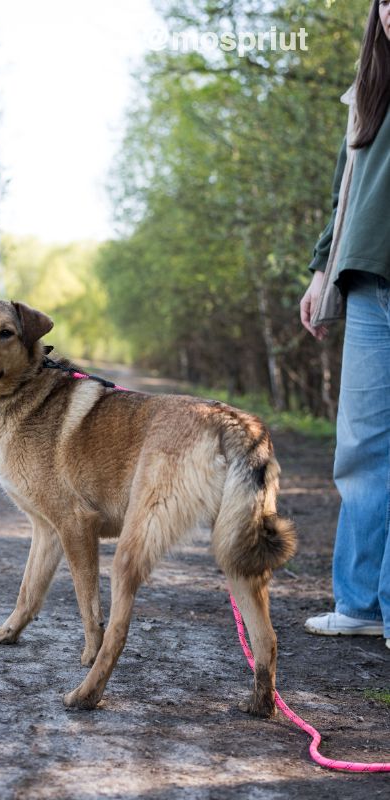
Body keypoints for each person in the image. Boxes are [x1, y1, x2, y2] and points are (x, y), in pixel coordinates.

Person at [300, 0, 390, 650]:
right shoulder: (368, 89)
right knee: (359, 452)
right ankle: (358, 602)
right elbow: (345, 189)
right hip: (365, 280)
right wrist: (317, 272)